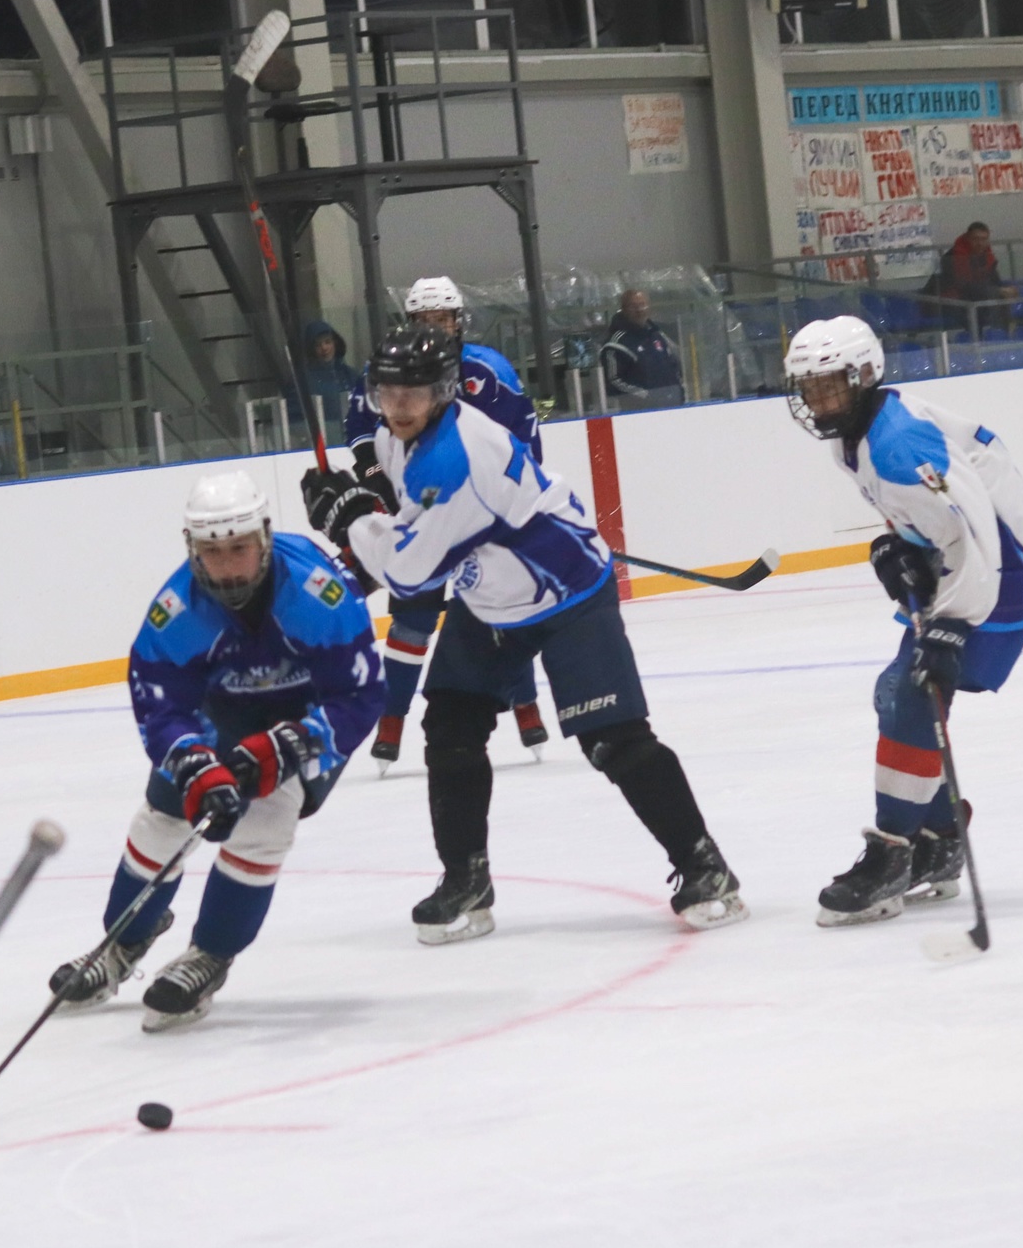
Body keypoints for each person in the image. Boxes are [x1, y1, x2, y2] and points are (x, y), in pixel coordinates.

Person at [306, 324, 745, 941]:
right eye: (388, 392)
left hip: (567, 591)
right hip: (490, 599)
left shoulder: (457, 457)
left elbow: (408, 574)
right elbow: (401, 494)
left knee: (613, 739)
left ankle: (705, 864)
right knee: (452, 726)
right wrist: (363, 497)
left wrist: (348, 516)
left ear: (444, 391)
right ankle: (467, 879)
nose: (398, 406)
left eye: (414, 393)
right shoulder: (404, 435)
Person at [50, 470, 382, 1029]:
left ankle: (210, 952)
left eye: (239, 549)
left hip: (307, 714)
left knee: (267, 816)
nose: (227, 566)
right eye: (213, 551)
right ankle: (121, 943)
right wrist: (195, 763)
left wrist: (293, 743)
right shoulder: (175, 612)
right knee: (163, 818)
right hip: (222, 711)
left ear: (264, 540)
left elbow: (362, 692)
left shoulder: (318, 593)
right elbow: (160, 705)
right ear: (192, 549)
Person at [782, 316, 1023, 925]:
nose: (818, 401)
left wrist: (953, 622)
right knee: (899, 691)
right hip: (963, 564)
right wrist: (897, 544)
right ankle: (938, 841)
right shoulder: (855, 435)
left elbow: (975, 532)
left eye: (830, 386)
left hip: (1002, 576)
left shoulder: (896, 444)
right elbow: (926, 514)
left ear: (863, 377)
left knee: (915, 694)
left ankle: (892, 854)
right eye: (808, 389)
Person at [342, 275, 550, 767]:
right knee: (413, 615)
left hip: (483, 511)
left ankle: (525, 706)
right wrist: (380, 485)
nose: (434, 328)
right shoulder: (391, 367)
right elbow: (359, 436)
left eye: (443, 319)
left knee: (500, 604)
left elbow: (524, 438)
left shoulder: (487, 369)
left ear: (459, 321)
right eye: (424, 320)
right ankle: (392, 720)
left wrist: (519, 501)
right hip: (421, 506)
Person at [602, 289, 685, 410]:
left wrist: (679, 389)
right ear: (624, 309)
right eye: (633, 306)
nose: (639, 310)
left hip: (671, 405)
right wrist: (646, 396)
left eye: (642, 305)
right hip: (638, 412)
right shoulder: (617, 343)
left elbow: (672, 364)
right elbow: (614, 381)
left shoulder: (656, 334)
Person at [935, 222, 1009, 331]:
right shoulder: (952, 258)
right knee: (983, 305)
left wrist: (1006, 290)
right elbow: (962, 286)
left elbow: (995, 280)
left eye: (984, 239)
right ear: (968, 239)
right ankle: (980, 342)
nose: (980, 243)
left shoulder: (988, 257)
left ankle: (1003, 337)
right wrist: (997, 291)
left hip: (977, 300)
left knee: (1002, 299)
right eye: (976, 239)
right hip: (952, 301)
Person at [298, 319, 356, 431]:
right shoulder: (302, 380)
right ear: (311, 350)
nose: (324, 348)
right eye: (318, 345)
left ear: (335, 343)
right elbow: (297, 421)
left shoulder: (350, 374)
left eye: (327, 342)